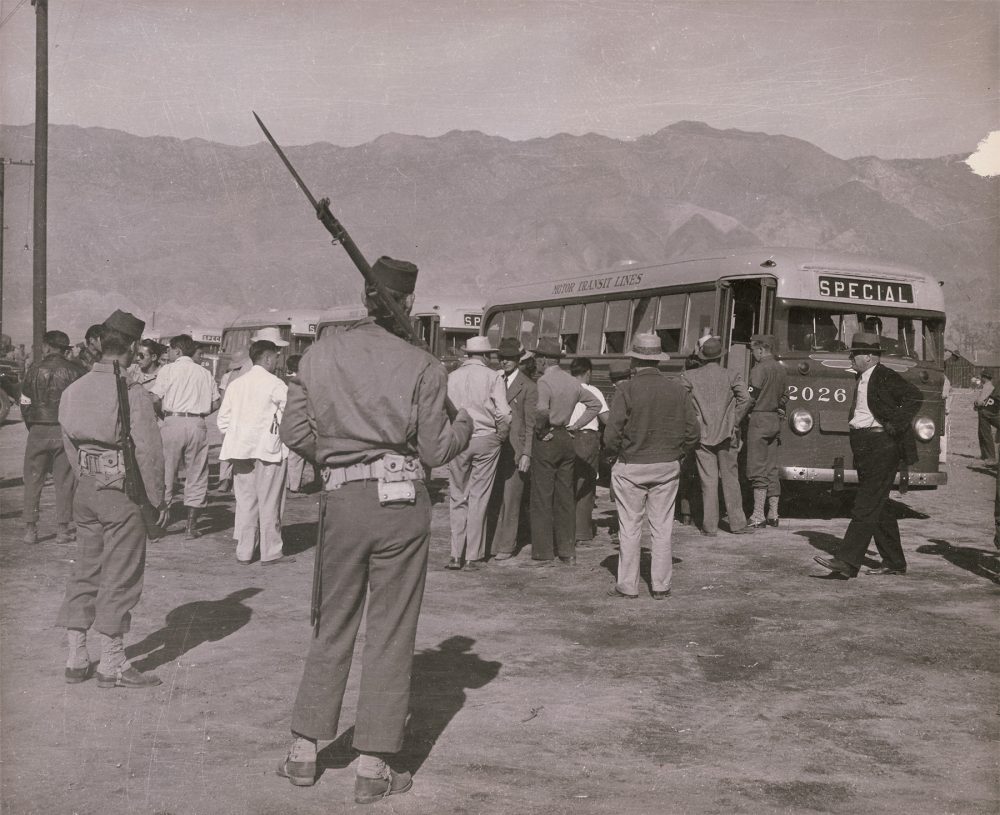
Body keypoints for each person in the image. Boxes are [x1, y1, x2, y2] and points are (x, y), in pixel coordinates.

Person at [277, 256, 472, 802]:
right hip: (402, 502)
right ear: (408, 303)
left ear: (366, 298)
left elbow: (294, 429)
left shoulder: (317, 355)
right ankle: (372, 766)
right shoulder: (424, 365)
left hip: (342, 501)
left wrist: (341, 460)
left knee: (332, 621)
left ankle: (302, 753)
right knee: (391, 630)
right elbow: (435, 450)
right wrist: (465, 427)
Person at [56, 309, 165, 688]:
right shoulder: (132, 392)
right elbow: (149, 453)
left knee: (85, 569)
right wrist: (157, 499)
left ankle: (76, 657)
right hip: (121, 493)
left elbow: (69, 444)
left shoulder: (75, 388)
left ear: (100, 344)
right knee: (121, 576)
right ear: (134, 348)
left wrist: (88, 477)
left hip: (85, 489)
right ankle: (113, 664)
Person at [814, 332, 922, 578]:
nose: (851, 357)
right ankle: (894, 562)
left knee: (865, 503)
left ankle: (847, 562)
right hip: (864, 444)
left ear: (870, 357)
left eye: (855, 353)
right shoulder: (863, 376)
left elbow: (915, 397)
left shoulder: (884, 375)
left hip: (881, 444)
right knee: (879, 504)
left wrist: (894, 424)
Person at [605, 335, 699, 599]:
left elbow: (612, 433)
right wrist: (678, 455)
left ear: (634, 360)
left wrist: (613, 456)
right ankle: (661, 585)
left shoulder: (626, 389)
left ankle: (627, 586)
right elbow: (693, 432)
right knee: (662, 528)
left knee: (630, 527)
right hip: (667, 466)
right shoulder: (678, 390)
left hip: (631, 465)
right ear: (658, 360)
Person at [529, 337, 603, 566]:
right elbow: (595, 405)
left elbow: (541, 410)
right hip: (566, 438)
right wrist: (577, 425)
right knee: (565, 495)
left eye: (537, 358)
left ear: (542, 360)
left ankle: (543, 551)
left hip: (548, 438)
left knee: (542, 496)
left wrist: (541, 431)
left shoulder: (544, 381)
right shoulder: (572, 382)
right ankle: (567, 550)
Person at [217, 339, 291, 565]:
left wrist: (240, 435)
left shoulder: (236, 384)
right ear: (268, 358)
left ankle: (245, 551)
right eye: (276, 357)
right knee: (269, 502)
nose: (277, 361)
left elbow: (222, 421)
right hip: (268, 450)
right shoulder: (276, 384)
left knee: (246, 501)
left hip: (240, 450)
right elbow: (288, 415)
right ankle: (271, 552)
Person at [445, 336, 511, 570]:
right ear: (484, 355)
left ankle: (455, 554)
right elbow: (503, 412)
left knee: (457, 495)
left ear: (466, 354)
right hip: (485, 438)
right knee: (479, 497)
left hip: (457, 439)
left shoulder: (451, 377)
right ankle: (473, 555)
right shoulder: (493, 377)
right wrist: (500, 435)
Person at [149, 333, 221, 538]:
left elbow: (155, 397)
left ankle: (161, 521)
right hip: (197, 424)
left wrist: (164, 415)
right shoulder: (204, 373)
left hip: (172, 421)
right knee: (197, 474)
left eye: (170, 350)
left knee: (166, 472)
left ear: (177, 351)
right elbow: (216, 403)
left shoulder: (168, 370)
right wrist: (199, 414)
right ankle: (191, 526)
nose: (168, 353)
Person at [682, 336, 753, 536]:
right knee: (731, 478)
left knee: (708, 481)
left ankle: (710, 526)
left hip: (702, 434)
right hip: (727, 434)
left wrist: (693, 420)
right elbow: (746, 399)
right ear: (721, 357)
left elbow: (680, 399)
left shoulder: (689, 376)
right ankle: (738, 524)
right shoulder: (731, 375)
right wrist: (735, 420)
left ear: (702, 357)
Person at [20, 330, 83, 544]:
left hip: (38, 428)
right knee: (64, 481)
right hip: (63, 430)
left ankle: (30, 529)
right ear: (65, 349)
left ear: (46, 346)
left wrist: (32, 425)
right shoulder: (75, 370)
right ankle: (62, 530)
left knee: (33, 479)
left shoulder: (33, 369)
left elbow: (25, 403)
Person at [489, 338, 537, 561]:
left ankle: (506, 546)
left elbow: (530, 423)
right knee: (494, 496)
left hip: (515, 449)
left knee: (512, 498)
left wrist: (527, 452)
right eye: (502, 358)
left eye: (510, 358)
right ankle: (491, 544)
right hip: (495, 448)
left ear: (518, 360)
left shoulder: (528, 386)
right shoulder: (495, 380)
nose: (505, 361)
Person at [745, 334, 788, 528]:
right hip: (774, 420)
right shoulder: (781, 369)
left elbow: (749, 398)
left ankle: (757, 515)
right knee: (772, 467)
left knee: (757, 468)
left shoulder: (759, 369)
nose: (753, 354)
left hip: (759, 419)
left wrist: (739, 416)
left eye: (754, 350)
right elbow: (785, 396)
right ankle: (774, 513)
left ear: (761, 350)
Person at [569, 357, 609, 546]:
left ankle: (565, 530)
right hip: (586, 438)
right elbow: (606, 419)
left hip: (566, 437)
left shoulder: (565, 388)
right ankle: (582, 532)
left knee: (567, 483)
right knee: (586, 484)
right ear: (588, 372)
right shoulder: (593, 390)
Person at [605, 358, 632, 543]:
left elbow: (613, 429)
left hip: (622, 451)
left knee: (620, 492)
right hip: (637, 449)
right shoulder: (639, 391)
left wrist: (610, 452)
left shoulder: (617, 395)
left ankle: (621, 530)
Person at [284, 354, 316, 493]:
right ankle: (295, 485)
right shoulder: (303, 382)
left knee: (292, 456)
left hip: (287, 423)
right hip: (302, 422)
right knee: (300, 455)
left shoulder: (284, 380)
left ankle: (291, 483)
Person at [973, 369, 998, 466]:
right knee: (982, 433)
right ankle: (985, 455)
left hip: (985, 412)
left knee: (985, 434)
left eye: (982, 376)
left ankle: (990, 457)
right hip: (984, 411)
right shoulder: (988, 386)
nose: (981, 378)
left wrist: (976, 403)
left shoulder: (988, 387)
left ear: (984, 377)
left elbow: (980, 401)